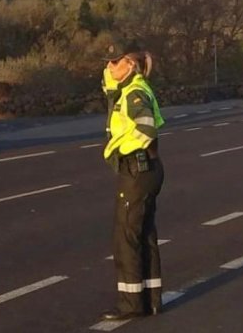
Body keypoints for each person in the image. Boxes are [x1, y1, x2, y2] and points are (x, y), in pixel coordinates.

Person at [99, 41, 165, 321]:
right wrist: (110, 75)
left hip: (137, 170)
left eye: (115, 61)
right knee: (144, 234)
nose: (109, 66)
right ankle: (151, 300)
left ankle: (131, 303)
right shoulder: (129, 88)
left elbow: (146, 128)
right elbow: (110, 89)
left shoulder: (134, 92)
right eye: (108, 61)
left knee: (126, 237)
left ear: (131, 64)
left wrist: (120, 149)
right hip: (147, 169)